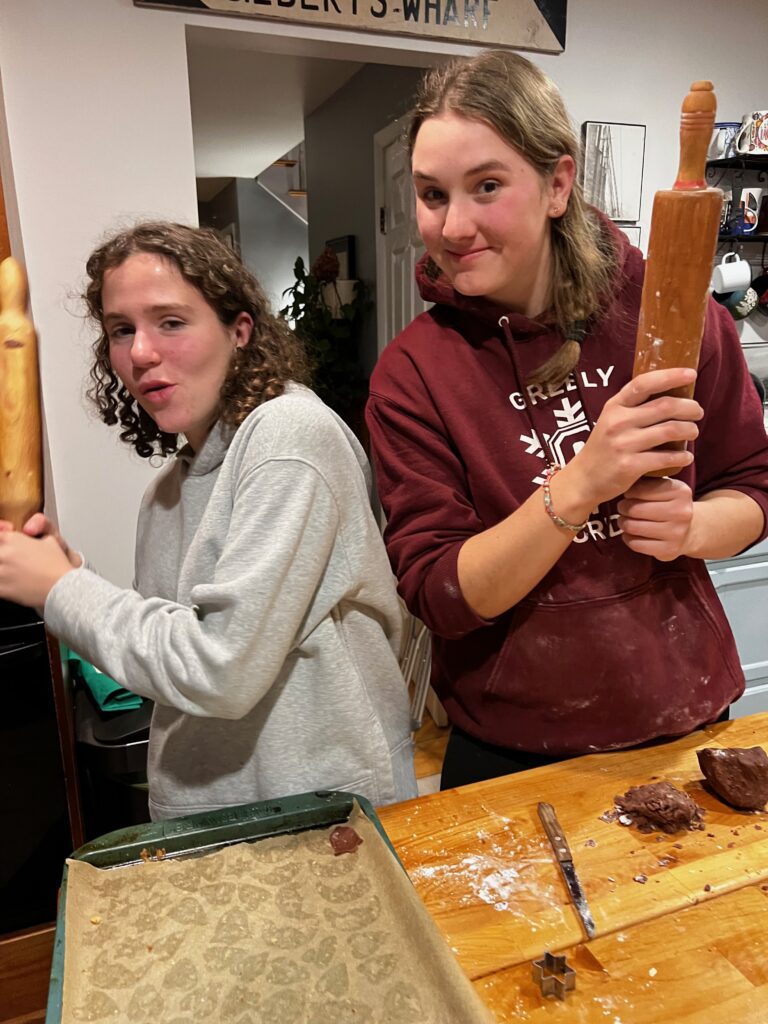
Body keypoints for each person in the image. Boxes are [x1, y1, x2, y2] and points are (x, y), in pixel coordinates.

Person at [365, 52, 768, 790]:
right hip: (512, 749)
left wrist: (692, 528)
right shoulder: (414, 375)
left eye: (487, 186)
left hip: (683, 718)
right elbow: (441, 594)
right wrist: (581, 482)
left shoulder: (670, 312)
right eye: (432, 194)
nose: (453, 225)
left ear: (557, 183)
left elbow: (753, 485)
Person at [0, 222, 417, 819]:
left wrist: (61, 591)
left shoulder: (289, 438)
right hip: (203, 812)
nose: (141, 353)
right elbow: (170, 661)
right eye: (122, 330)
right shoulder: (167, 495)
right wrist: (72, 576)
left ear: (239, 331)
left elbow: (221, 669)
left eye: (170, 322)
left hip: (318, 814)